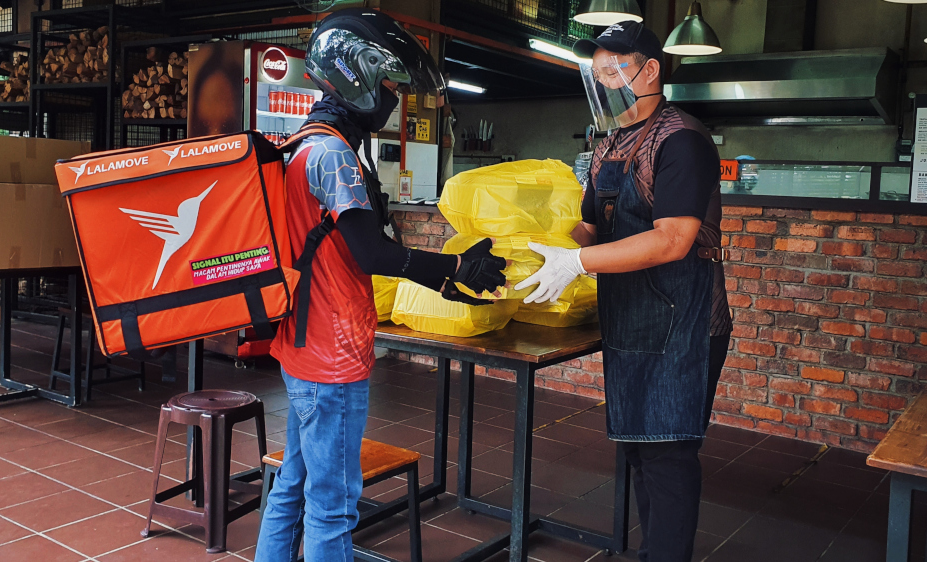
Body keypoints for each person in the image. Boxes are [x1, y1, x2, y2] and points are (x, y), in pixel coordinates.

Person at [255, 9, 507, 562]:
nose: (393, 96)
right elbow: (372, 252)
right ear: (358, 73)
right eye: (389, 82)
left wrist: (446, 275)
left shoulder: (305, 143)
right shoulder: (334, 154)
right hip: (330, 356)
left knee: (291, 492)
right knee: (333, 507)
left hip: (300, 347)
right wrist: (452, 269)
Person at [515, 21, 732, 562]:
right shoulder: (608, 140)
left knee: (669, 455)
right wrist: (538, 246)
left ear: (650, 70)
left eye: (615, 68)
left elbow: (673, 239)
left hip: (682, 318)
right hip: (631, 315)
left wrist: (579, 263)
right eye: (599, 72)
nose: (607, 81)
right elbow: (591, 226)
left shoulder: (681, 139)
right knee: (639, 447)